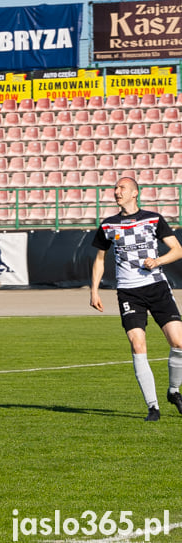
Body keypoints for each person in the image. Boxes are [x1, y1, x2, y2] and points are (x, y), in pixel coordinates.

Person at [90, 176, 182, 421]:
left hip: (157, 287)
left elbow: (177, 250)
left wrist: (158, 261)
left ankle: (173, 391)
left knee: (178, 342)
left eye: (121, 188)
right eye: (115, 188)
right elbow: (99, 259)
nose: (116, 191)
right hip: (129, 292)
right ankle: (153, 407)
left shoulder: (153, 219)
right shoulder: (108, 225)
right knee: (138, 344)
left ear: (134, 193)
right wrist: (94, 291)